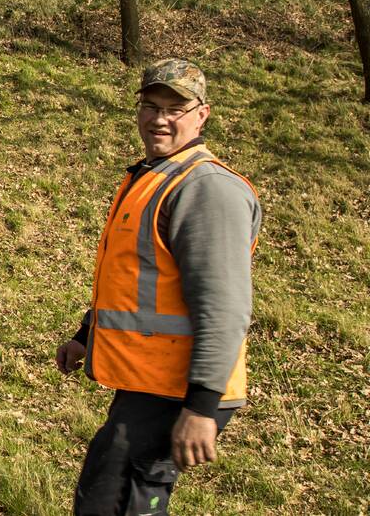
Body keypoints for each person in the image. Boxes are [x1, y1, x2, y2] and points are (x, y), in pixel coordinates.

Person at [55, 58, 262, 515]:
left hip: (179, 390)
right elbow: (136, 278)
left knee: (111, 504)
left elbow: (224, 308)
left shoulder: (206, 189)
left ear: (201, 115)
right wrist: (87, 335)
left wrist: (201, 408)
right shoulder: (152, 177)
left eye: (175, 109)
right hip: (151, 383)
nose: (159, 119)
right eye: (150, 106)